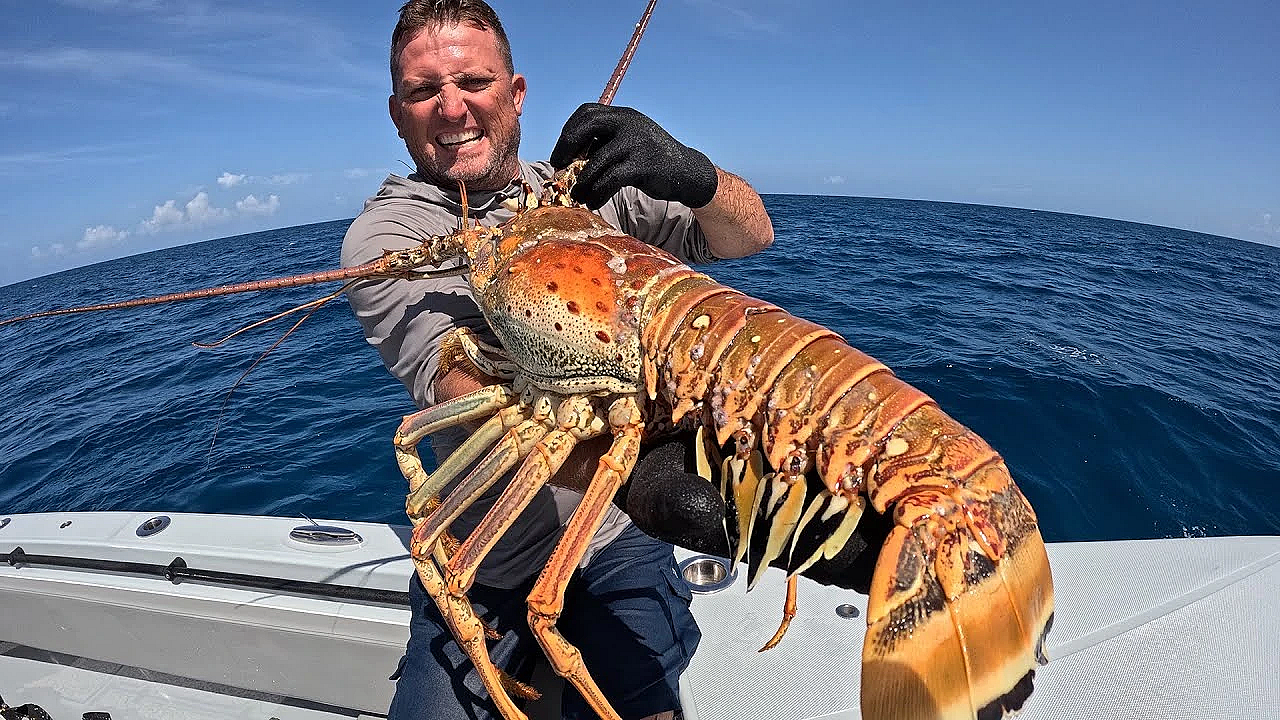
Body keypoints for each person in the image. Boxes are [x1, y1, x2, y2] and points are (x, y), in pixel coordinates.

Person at [340, 2, 774, 719]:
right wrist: (637, 471)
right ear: (396, 113)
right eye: (423, 91)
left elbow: (750, 237)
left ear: (515, 94)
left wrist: (694, 177)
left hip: (611, 537)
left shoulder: (585, 193)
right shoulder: (391, 235)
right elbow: (459, 384)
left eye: (473, 82)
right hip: (485, 554)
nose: (452, 108)